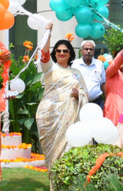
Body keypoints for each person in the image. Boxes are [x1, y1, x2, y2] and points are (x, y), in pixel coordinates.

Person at [36, 26, 89, 179]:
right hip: (50, 116)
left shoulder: (76, 73)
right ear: (55, 53)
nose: (61, 53)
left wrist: (78, 94)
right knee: (52, 149)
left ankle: (66, 180)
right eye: (58, 51)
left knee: (68, 147)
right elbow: (44, 54)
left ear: (70, 54)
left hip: (70, 117)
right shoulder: (49, 68)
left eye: (65, 51)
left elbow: (85, 92)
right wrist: (49, 34)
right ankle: (54, 180)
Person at [72, 40, 106, 110]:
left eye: (91, 49)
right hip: (79, 101)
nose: (89, 51)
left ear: (93, 52)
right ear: (81, 51)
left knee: (98, 120)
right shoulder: (74, 64)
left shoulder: (99, 64)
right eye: (86, 49)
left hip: (97, 102)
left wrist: (106, 100)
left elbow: (103, 83)